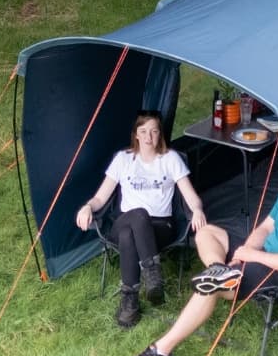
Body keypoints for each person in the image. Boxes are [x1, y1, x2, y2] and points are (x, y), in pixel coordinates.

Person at [122, 150, 278, 356]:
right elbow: (267, 226)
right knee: (207, 232)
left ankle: (161, 350)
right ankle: (218, 268)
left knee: (210, 288)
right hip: (261, 253)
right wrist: (246, 250)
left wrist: (254, 256)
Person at [76, 111, 207, 329]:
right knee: (137, 215)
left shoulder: (170, 159)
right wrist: (87, 207)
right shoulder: (124, 159)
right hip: (125, 220)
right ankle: (152, 274)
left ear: (160, 135)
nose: (149, 137)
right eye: (143, 131)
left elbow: (191, 196)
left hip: (160, 227)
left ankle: (130, 302)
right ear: (136, 135)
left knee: (130, 234)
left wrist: (198, 210)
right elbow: (101, 197)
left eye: (154, 131)